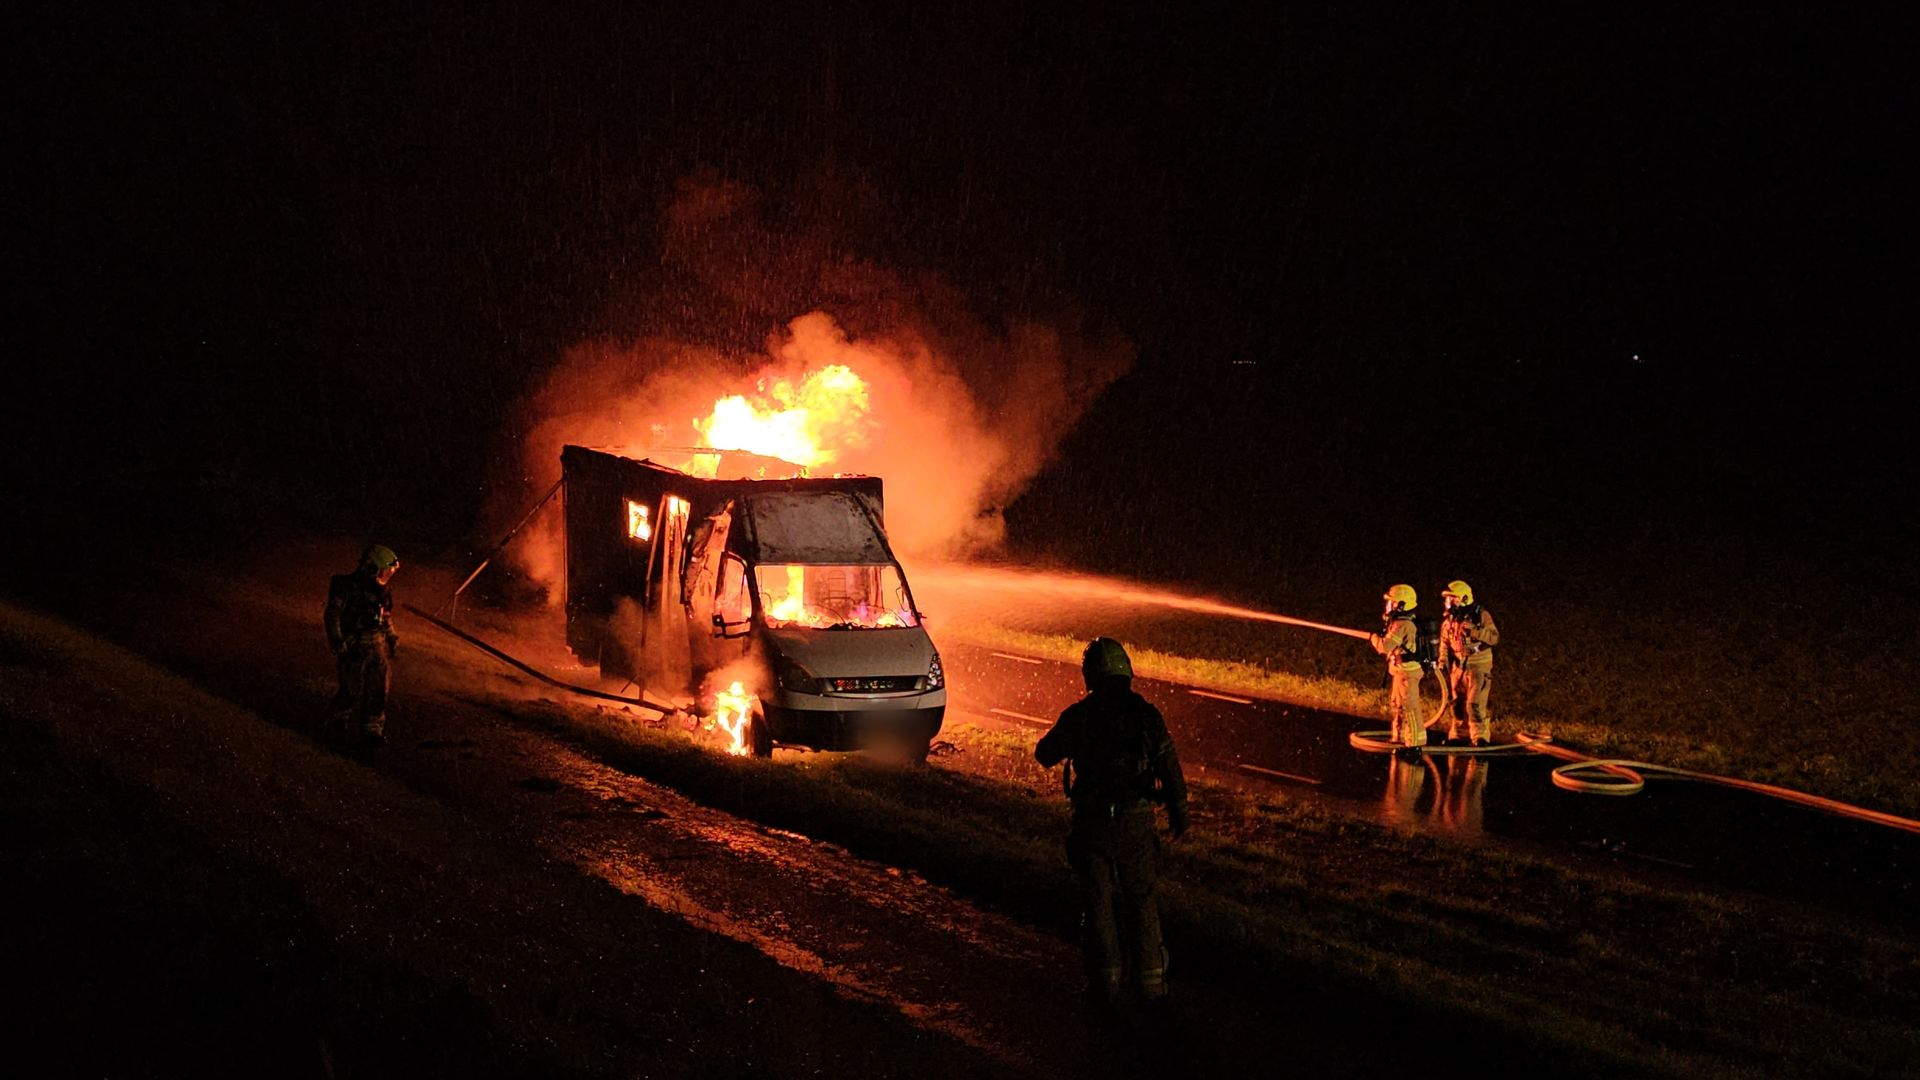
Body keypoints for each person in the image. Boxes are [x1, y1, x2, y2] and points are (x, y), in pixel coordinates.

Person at [1035, 638, 1189, 1004]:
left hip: (1093, 825)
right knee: (1141, 900)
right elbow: (1170, 770)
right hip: (1136, 823)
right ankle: (1151, 984)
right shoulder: (1147, 716)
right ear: (1126, 672)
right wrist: (1179, 815)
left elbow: (1044, 753)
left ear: (1090, 675)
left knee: (1098, 902)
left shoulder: (1081, 715)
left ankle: (1105, 982)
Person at [326, 544, 400, 744]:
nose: (386, 577)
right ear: (371, 567)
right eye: (384, 572)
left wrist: (392, 637)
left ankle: (372, 730)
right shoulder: (345, 587)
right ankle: (339, 721)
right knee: (351, 688)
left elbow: (385, 617)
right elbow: (332, 615)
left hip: (377, 647)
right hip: (353, 647)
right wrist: (337, 640)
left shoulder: (382, 592)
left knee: (378, 690)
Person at [1439, 579, 1500, 746]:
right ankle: (1457, 735)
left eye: (1453, 599)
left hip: (1478, 666)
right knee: (1456, 704)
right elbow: (1444, 641)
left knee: (1474, 704)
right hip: (1458, 667)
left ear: (1464, 599)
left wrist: (1475, 631)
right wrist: (1442, 660)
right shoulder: (1450, 620)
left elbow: (1494, 638)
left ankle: (1480, 737)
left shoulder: (1481, 616)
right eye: (1448, 599)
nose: (1449, 603)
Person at [1368, 584, 1427, 754]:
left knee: (1410, 708)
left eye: (1391, 603)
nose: (1388, 606)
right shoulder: (1399, 623)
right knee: (1398, 705)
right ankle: (1399, 738)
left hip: (1408, 673)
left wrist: (1373, 638)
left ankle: (1414, 745)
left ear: (1401, 605)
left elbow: (1384, 647)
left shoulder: (1403, 625)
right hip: (1400, 671)